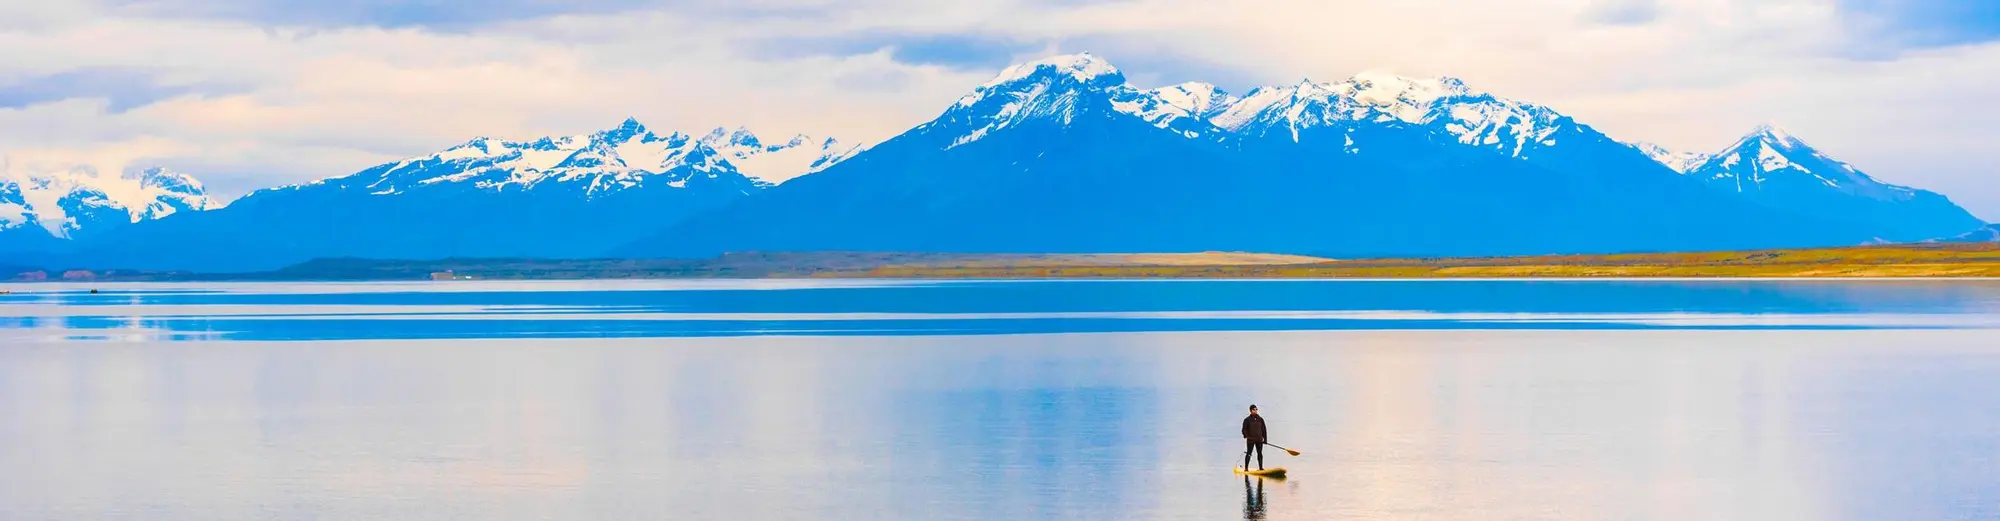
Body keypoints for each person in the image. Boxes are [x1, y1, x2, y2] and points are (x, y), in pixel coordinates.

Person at [1241, 404, 1267, 470]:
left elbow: (1264, 429)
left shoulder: (1260, 419)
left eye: (1256, 409)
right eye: (1254, 410)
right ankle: (1246, 468)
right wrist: (1246, 436)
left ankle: (1261, 468)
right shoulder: (1247, 420)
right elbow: (1244, 429)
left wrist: (1265, 439)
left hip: (1259, 440)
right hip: (1251, 440)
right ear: (1250, 411)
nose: (1255, 411)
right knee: (1249, 453)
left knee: (1260, 454)